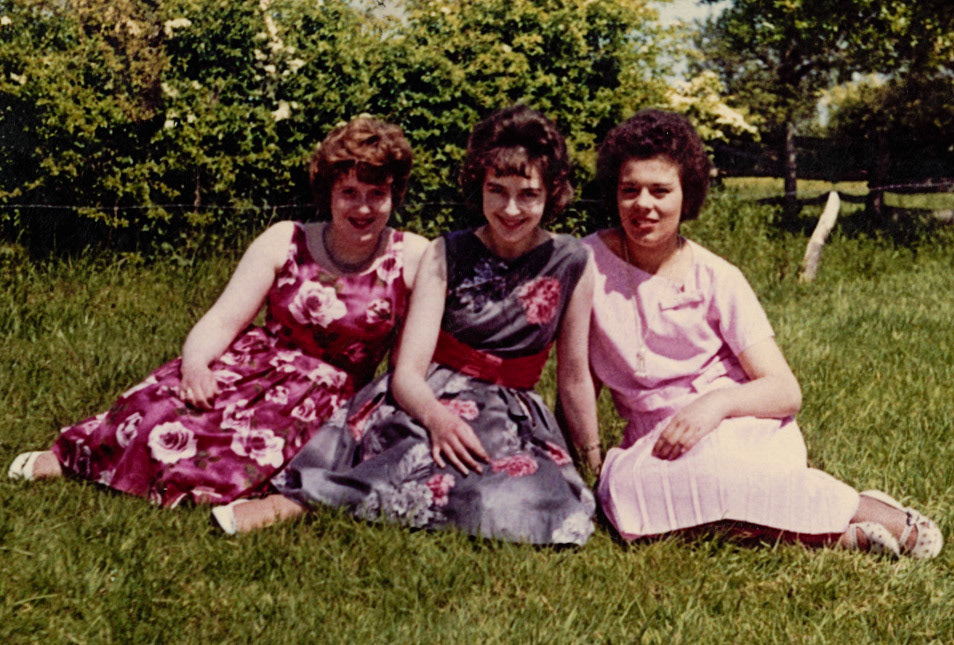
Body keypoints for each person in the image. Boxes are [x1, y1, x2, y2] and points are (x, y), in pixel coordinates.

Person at [215, 105, 600, 545]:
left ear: (553, 193)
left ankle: (361, 501)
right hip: (431, 397)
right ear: (479, 187)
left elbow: (574, 378)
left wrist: (593, 464)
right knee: (415, 453)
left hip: (512, 414)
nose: (511, 209)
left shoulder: (573, 261)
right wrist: (438, 419)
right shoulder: (447, 252)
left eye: (528, 195)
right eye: (497, 191)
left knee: (529, 497)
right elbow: (408, 372)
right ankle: (296, 505)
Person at [8, 116, 429, 508]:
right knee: (156, 411)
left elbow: (410, 362)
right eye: (349, 193)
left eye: (377, 194)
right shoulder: (286, 239)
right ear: (328, 194)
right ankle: (75, 459)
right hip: (251, 368)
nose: (363, 209)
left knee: (236, 450)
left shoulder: (412, 257)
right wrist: (195, 366)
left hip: (326, 399)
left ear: (394, 195)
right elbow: (223, 320)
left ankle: (193, 488)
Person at [581, 109, 942, 558]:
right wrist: (584, 461)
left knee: (719, 471)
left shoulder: (717, 277)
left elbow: (785, 391)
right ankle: (841, 537)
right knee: (630, 498)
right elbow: (578, 376)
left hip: (732, 426)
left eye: (660, 190)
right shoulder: (586, 263)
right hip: (654, 440)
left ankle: (864, 510)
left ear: (687, 194)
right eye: (629, 190)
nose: (643, 204)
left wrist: (715, 405)